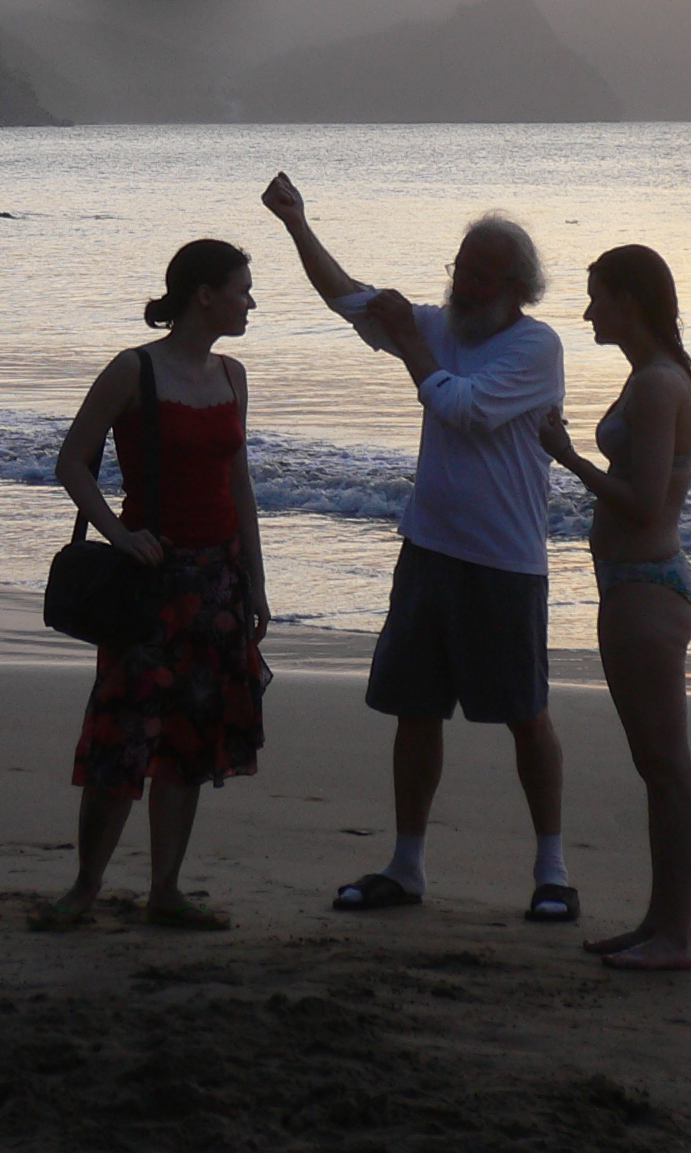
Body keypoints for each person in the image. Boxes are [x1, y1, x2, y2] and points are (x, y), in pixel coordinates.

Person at [261, 172, 577, 923]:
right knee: (415, 708)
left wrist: (407, 342)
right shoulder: (438, 327)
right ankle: (406, 866)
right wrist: (297, 223)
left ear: (518, 288)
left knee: (525, 714)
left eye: (480, 275)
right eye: (459, 268)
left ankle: (552, 869)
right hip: (428, 548)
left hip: (504, 561)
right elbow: (344, 296)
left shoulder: (536, 347)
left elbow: (463, 409)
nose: (462, 284)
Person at [32, 239, 271, 932]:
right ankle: (85, 887)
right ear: (205, 295)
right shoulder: (132, 370)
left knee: (192, 740)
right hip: (151, 581)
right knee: (122, 736)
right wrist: (117, 532)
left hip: (218, 579)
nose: (251, 302)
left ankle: (165, 890)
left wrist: (256, 582)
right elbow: (71, 462)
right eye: (242, 289)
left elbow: (239, 484)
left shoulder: (232, 375)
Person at [537, 244, 691, 971]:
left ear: (629, 300)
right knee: (653, 764)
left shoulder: (659, 384)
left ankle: (675, 936)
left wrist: (567, 456)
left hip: (647, 587)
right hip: (631, 583)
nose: (587, 313)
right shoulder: (650, 375)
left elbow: (642, 503)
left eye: (596, 296)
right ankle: (658, 923)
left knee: (667, 765)